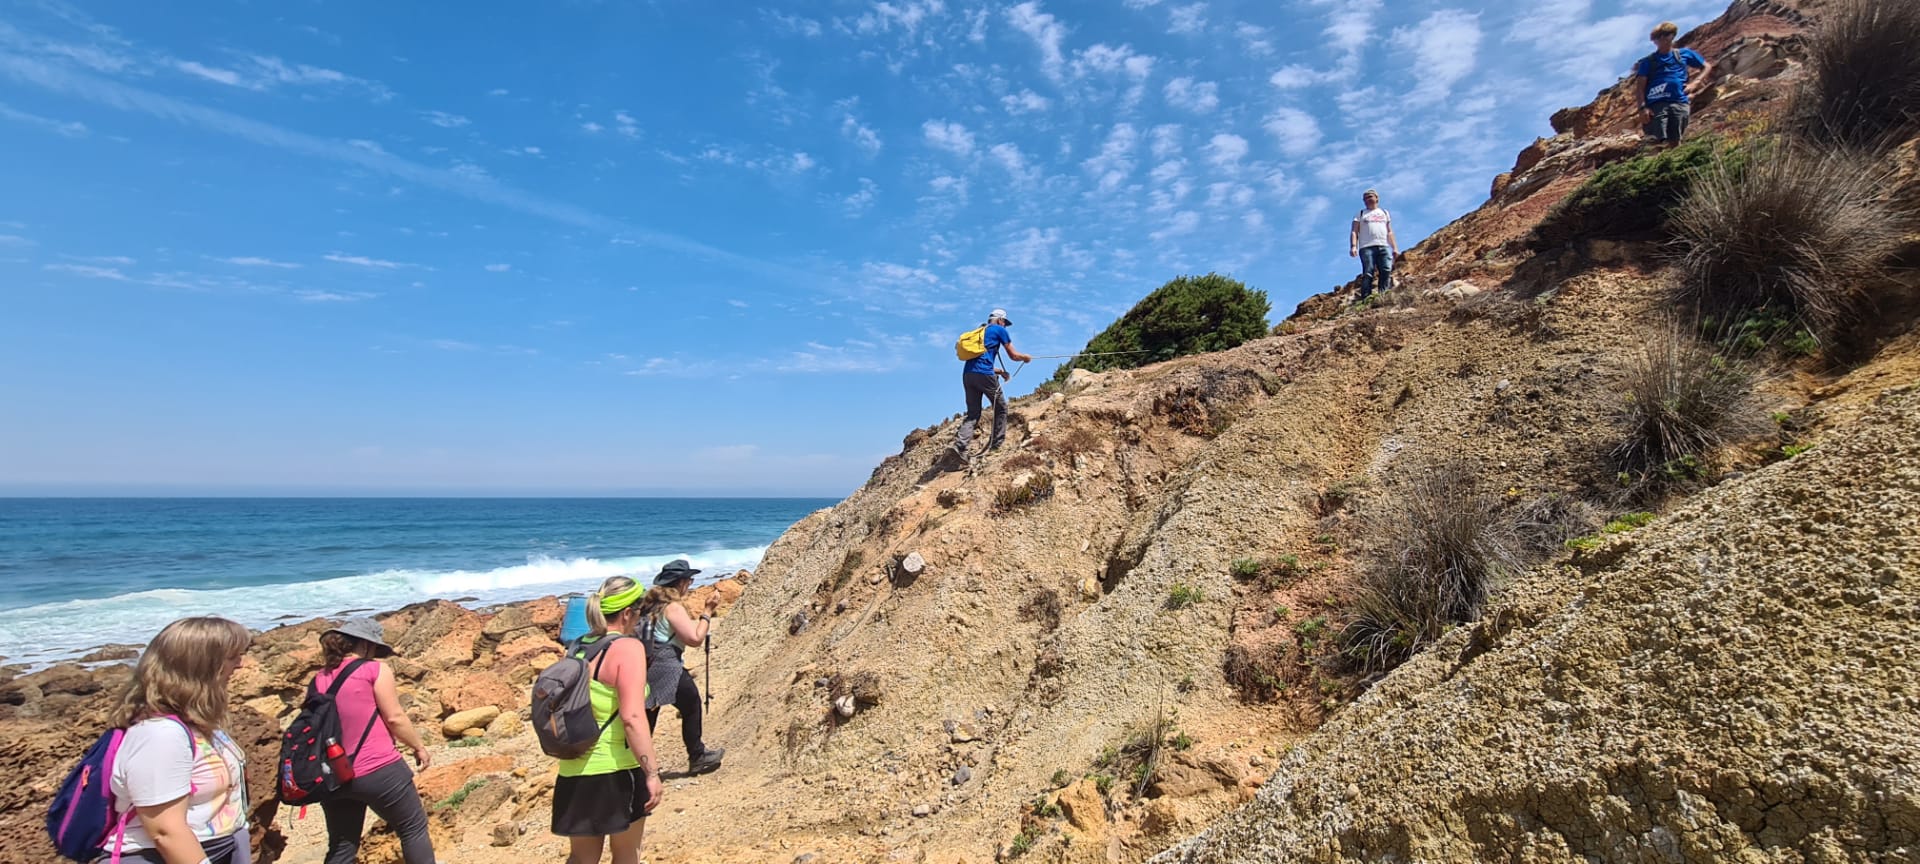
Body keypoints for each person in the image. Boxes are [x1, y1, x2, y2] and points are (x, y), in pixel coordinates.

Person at [108, 616, 254, 864]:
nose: (240, 664)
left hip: (216, 848)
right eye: (232, 657)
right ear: (200, 666)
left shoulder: (195, 722)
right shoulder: (160, 735)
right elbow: (165, 832)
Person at [553, 575, 664, 864]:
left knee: (581, 859)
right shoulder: (628, 649)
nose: (641, 618)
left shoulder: (578, 645)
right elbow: (632, 717)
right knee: (626, 854)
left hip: (573, 769)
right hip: (616, 771)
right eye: (640, 611)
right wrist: (651, 773)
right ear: (627, 613)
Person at [311, 617, 435, 864]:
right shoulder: (375, 670)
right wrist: (418, 746)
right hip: (379, 769)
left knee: (342, 846)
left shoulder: (319, 678)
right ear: (366, 645)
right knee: (413, 829)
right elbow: (395, 718)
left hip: (334, 774)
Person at [633, 559, 724, 775]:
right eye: (689, 581)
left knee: (648, 715)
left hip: (646, 664)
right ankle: (697, 756)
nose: (690, 584)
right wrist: (707, 612)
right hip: (667, 665)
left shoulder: (649, 604)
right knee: (691, 704)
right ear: (681, 582)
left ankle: (635, 768)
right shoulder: (672, 608)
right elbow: (695, 639)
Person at [946, 308, 1032, 467]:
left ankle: (960, 446)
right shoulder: (999, 330)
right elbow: (1013, 355)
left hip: (968, 374)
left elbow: (979, 360)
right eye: (1005, 323)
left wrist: (1000, 372)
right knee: (1001, 407)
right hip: (984, 374)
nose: (1005, 326)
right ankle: (996, 445)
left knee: (973, 413)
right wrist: (1025, 357)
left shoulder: (981, 332)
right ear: (1000, 320)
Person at [1633, 21, 1710, 147]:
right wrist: (1642, 108)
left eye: (1666, 34)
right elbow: (1640, 87)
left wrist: (1696, 83)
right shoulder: (1648, 62)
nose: (1662, 39)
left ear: (1672, 36)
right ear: (1654, 40)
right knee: (1655, 142)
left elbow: (1706, 66)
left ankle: (1676, 159)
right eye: (1658, 36)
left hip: (1679, 102)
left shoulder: (1683, 54)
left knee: (1675, 141)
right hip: (1656, 105)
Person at [1349, 190, 1398, 301]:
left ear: (1376, 198)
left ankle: (1383, 295)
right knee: (1368, 272)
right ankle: (1366, 298)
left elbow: (1389, 231)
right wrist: (1353, 246)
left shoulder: (1384, 212)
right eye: (1365, 198)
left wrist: (1394, 248)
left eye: (1370, 197)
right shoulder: (1361, 214)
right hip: (1366, 247)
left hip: (1383, 245)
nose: (1368, 199)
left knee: (1386, 269)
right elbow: (1354, 231)